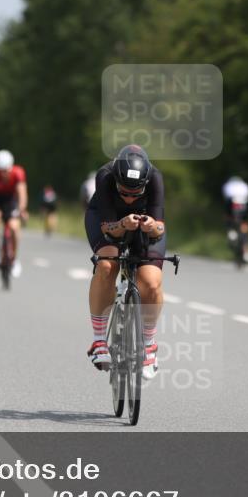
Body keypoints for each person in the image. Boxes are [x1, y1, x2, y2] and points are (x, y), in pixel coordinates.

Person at [85, 144, 166, 379]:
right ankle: (99, 342)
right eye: (124, 192)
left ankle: (149, 345)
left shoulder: (156, 178)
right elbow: (108, 228)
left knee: (151, 282)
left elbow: (160, 228)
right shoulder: (106, 176)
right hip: (107, 219)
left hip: (144, 225)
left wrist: (152, 226)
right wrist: (122, 224)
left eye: (136, 193)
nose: (130, 198)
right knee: (107, 265)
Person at [0, 150, 28, 277]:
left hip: (11, 201)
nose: (3, 174)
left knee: (14, 226)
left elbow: (22, 193)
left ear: (11, 167)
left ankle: (14, 258)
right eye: (0, 171)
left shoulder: (18, 173)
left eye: (6, 170)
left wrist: (22, 209)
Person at [222, 175, 248, 263]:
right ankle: (247, 253)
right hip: (244, 206)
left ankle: (231, 231)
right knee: (245, 229)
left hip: (231, 204)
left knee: (227, 216)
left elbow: (225, 198)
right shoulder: (245, 186)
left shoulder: (228, 185)